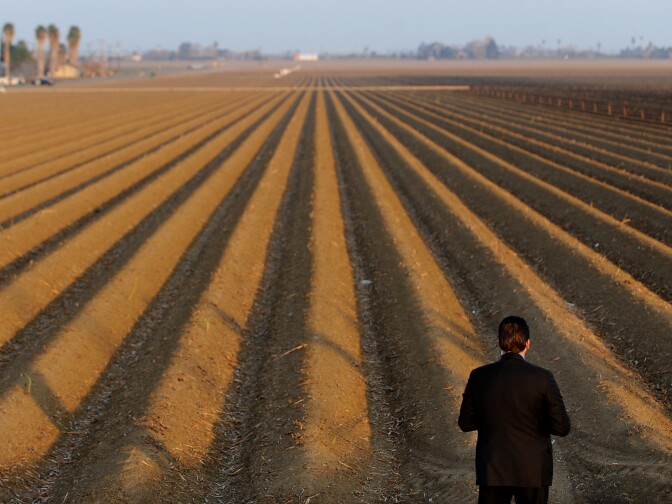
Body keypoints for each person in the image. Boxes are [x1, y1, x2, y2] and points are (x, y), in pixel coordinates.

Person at [458, 315, 571, 504]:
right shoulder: (542, 378)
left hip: (493, 468)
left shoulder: (478, 376)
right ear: (528, 343)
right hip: (532, 471)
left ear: (499, 343)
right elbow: (562, 427)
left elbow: (466, 423)